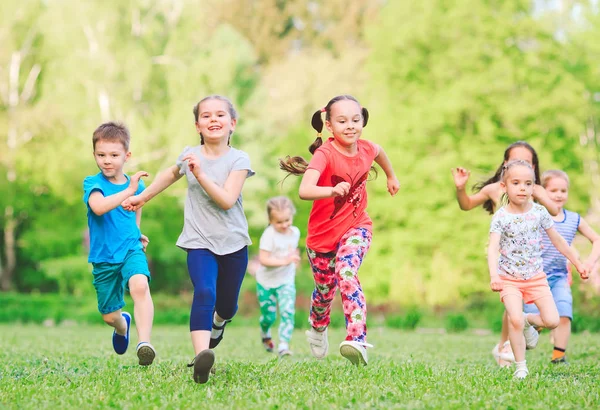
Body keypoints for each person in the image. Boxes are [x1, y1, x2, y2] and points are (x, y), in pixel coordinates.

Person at [121, 95, 254, 384]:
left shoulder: (239, 159)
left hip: (233, 243)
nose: (213, 120)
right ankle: (201, 357)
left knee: (228, 305)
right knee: (205, 291)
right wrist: (141, 197)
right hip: (199, 241)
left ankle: (219, 323)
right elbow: (170, 175)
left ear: (232, 123)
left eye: (220, 115)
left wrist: (201, 174)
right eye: (206, 116)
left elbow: (227, 200)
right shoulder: (189, 155)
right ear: (197, 125)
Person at [279, 94, 400, 366]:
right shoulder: (325, 154)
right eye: (342, 120)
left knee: (347, 271)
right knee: (324, 291)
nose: (350, 126)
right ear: (330, 126)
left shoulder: (366, 148)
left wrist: (391, 176)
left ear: (363, 121)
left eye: (356, 119)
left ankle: (357, 339)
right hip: (321, 239)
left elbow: (380, 152)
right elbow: (304, 190)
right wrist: (331, 190)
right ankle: (318, 325)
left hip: (357, 227)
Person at [451, 141, 559, 367]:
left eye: (527, 161)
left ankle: (505, 346)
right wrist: (461, 188)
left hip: (533, 257)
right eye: (514, 160)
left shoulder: (532, 189)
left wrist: (540, 193)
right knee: (512, 306)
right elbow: (467, 204)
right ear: (504, 165)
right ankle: (505, 348)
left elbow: (554, 210)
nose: (520, 163)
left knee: (521, 310)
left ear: (533, 167)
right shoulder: (494, 190)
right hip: (504, 257)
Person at [487, 160, 588, 379]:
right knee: (513, 318)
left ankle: (527, 320)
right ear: (504, 187)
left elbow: (559, 241)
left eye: (528, 183)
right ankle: (521, 366)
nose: (522, 188)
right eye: (516, 183)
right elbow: (493, 248)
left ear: (534, 187)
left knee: (552, 320)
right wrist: (494, 275)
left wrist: (578, 264)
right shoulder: (501, 218)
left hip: (536, 278)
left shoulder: (540, 212)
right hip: (509, 279)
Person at [83, 122, 156, 366]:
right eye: (101, 155)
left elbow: (135, 212)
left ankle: (144, 343)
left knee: (140, 285)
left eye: (114, 155)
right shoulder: (92, 183)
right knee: (108, 315)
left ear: (127, 155)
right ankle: (122, 325)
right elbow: (99, 208)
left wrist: (137, 233)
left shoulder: (136, 186)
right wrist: (130, 190)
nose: (107, 160)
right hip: (103, 257)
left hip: (130, 249)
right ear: (94, 155)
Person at [523, 170, 600, 364]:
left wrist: (589, 263)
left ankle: (559, 356)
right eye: (553, 190)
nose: (559, 195)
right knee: (533, 318)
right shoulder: (534, 215)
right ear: (542, 192)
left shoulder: (573, 219)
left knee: (564, 313)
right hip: (533, 278)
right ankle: (524, 338)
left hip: (559, 276)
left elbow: (596, 239)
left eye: (563, 190)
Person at [255, 196, 301, 357]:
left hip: (286, 280)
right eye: (279, 222)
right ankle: (265, 332)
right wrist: (285, 260)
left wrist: (294, 258)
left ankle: (283, 345)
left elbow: (292, 249)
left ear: (292, 216)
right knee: (269, 315)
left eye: (287, 220)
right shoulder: (269, 235)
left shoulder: (295, 232)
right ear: (270, 220)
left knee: (288, 311)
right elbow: (264, 260)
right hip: (266, 282)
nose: (284, 225)